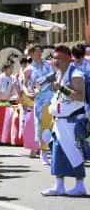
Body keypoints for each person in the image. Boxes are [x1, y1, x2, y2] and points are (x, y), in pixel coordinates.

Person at [41, 46, 87, 196]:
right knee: (57, 153)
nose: (55, 61)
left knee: (75, 153)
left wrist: (62, 88)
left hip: (72, 122)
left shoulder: (76, 74)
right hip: (60, 122)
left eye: (58, 58)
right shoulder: (59, 74)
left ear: (68, 59)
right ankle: (59, 185)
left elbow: (80, 96)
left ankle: (80, 186)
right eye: (54, 58)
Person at [23, 45, 53, 164]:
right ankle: (43, 152)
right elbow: (24, 85)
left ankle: (50, 149)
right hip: (39, 99)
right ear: (31, 54)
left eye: (40, 51)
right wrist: (28, 93)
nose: (39, 53)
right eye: (36, 51)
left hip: (51, 97)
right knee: (40, 124)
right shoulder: (29, 69)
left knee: (50, 123)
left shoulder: (48, 65)